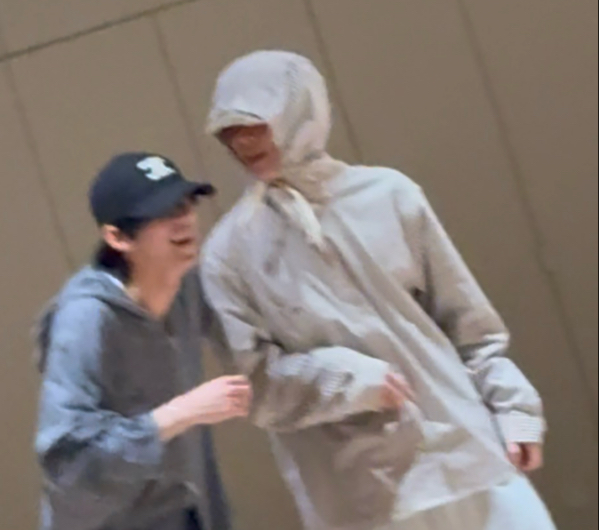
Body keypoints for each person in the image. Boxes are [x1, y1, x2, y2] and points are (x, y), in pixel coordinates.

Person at [200, 50, 557, 530]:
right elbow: (257, 384)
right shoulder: (230, 252)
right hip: (363, 498)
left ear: (300, 110)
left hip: (468, 460)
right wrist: (348, 380)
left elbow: (469, 326)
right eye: (228, 131)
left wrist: (514, 411)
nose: (242, 141)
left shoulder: (389, 195)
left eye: (254, 123)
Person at [33, 152, 252, 530]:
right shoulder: (86, 319)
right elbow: (70, 465)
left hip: (182, 513)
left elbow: (257, 354)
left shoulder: (187, 287)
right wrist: (178, 414)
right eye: (161, 212)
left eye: (185, 204)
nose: (183, 219)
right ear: (117, 237)